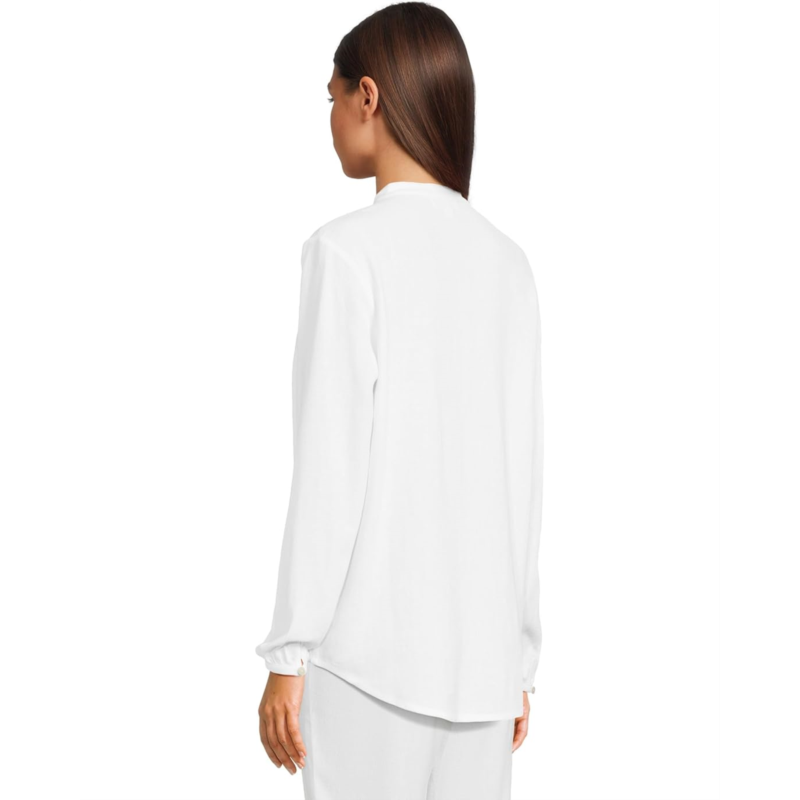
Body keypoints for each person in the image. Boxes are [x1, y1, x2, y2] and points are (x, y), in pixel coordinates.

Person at [255, 3, 544, 798]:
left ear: (368, 97)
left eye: (332, 96)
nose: (330, 118)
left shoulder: (346, 252)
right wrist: (518, 661)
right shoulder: (509, 265)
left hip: (368, 667)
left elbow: (330, 467)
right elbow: (523, 479)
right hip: (483, 673)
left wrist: (289, 652)